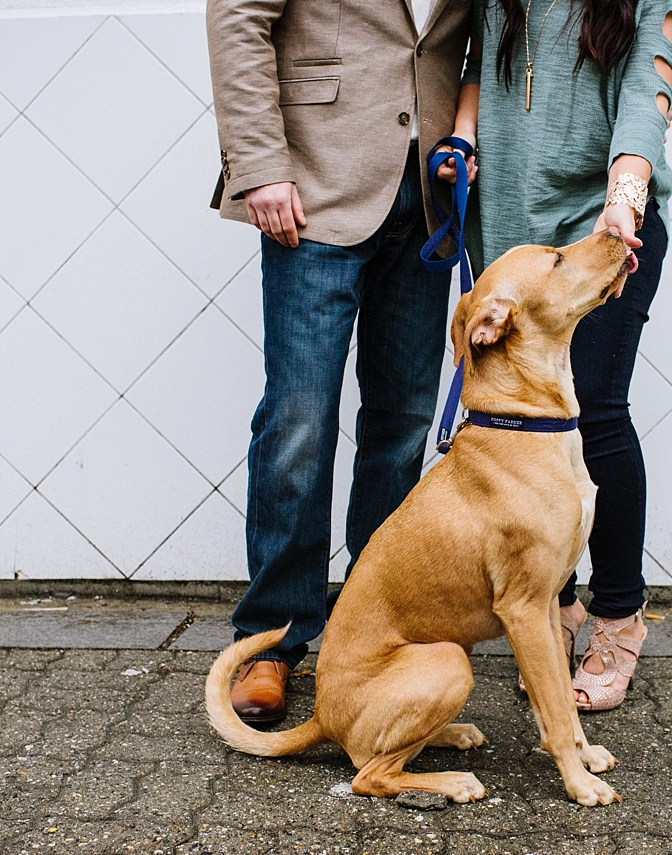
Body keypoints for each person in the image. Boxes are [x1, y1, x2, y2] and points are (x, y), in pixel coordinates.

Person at [206, 0, 474, 723]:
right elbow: (237, 17)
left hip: (427, 195)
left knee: (403, 424)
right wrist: (260, 165)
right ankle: (271, 639)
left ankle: (371, 630)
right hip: (314, 189)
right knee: (299, 418)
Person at [441, 0, 672, 710]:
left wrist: (625, 199)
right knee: (525, 430)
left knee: (596, 413)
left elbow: (651, 98)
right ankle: (557, 604)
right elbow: (471, 68)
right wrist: (462, 140)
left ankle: (618, 618)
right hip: (513, 243)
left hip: (605, 237)